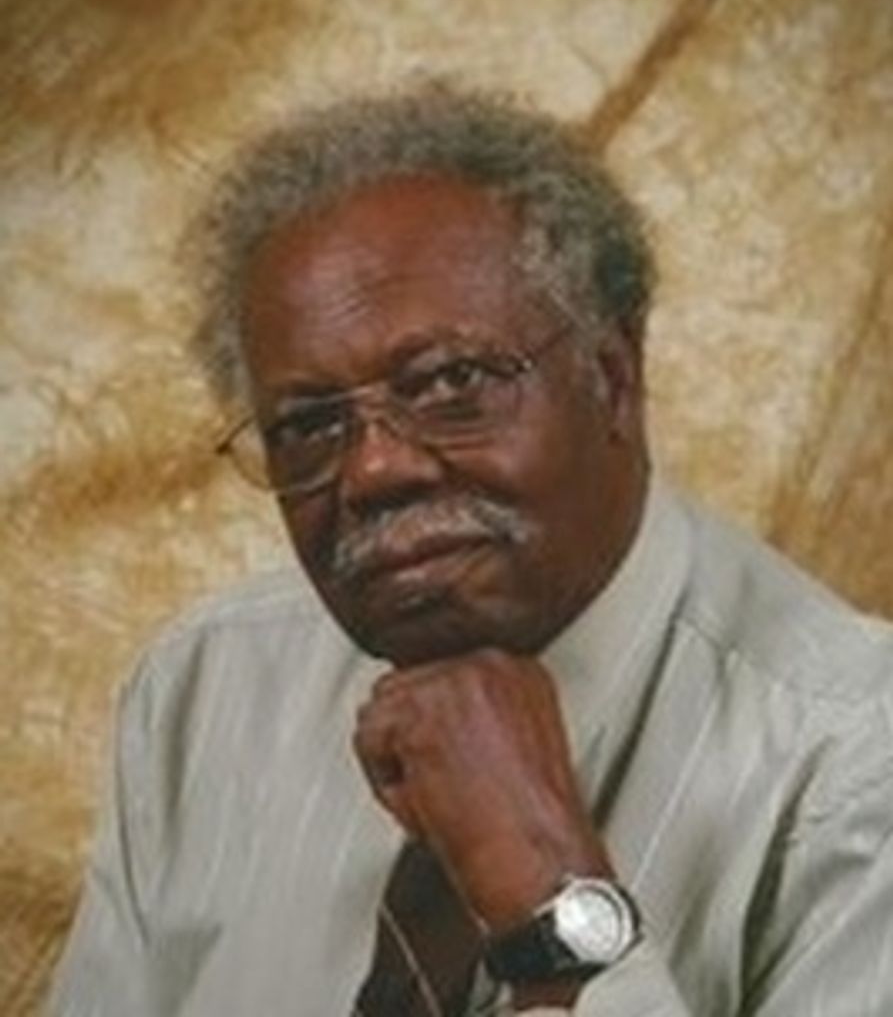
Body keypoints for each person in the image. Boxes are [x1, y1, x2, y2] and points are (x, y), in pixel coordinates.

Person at [48, 85, 893, 1017]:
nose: (373, 470)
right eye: (308, 424)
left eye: (450, 381)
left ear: (611, 378)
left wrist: (548, 899)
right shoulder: (203, 689)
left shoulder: (856, 763)